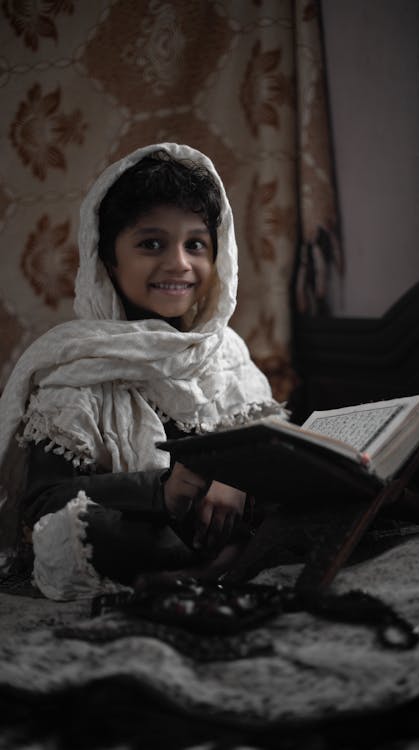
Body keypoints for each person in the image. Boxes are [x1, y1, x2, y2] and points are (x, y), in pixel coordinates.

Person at [0, 143, 286, 600]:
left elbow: (267, 448)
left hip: (214, 528)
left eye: (196, 244)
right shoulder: (76, 363)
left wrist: (238, 481)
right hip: (143, 536)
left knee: (298, 497)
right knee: (78, 532)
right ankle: (214, 565)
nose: (178, 263)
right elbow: (42, 503)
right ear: (107, 258)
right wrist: (161, 492)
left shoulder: (225, 352)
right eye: (151, 244)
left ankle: (212, 561)